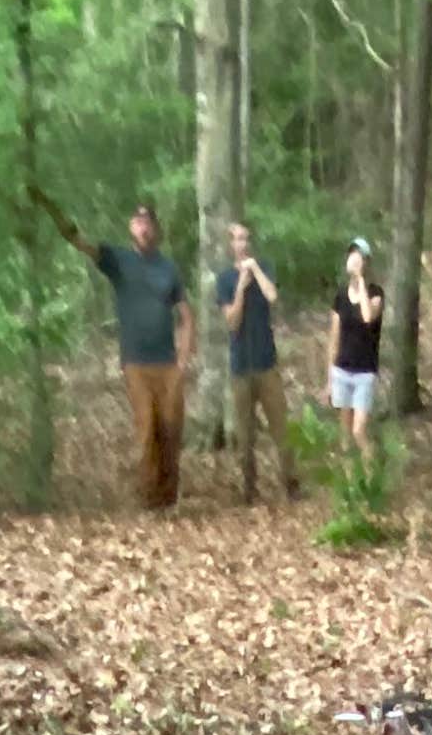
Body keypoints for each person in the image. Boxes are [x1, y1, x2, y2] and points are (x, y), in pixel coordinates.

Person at [33, 186, 192, 509]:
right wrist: (56, 214)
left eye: (149, 223)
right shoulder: (119, 260)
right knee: (147, 429)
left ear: (156, 230)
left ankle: (169, 499)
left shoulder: (168, 268)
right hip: (136, 362)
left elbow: (187, 316)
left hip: (167, 363)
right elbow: (82, 244)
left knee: (171, 429)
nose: (144, 228)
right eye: (138, 222)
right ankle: (149, 500)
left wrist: (183, 360)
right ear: (131, 228)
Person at [218, 222, 302, 504]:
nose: (242, 244)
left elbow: (273, 296)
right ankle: (248, 488)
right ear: (230, 244)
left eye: (245, 238)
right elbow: (232, 322)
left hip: (267, 362)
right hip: (240, 366)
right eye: (237, 239)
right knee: (245, 434)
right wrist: (241, 289)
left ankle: (291, 483)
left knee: (281, 427)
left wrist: (254, 270)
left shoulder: (264, 267)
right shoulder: (225, 279)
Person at [329, 240, 384, 452]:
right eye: (352, 255)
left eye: (359, 256)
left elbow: (368, 317)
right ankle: (348, 471)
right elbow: (334, 336)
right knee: (345, 434)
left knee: (358, 431)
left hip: (364, 372)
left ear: (366, 262)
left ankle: (371, 470)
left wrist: (360, 279)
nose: (354, 259)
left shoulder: (376, 294)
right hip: (341, 370)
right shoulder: (341, 296)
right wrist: (329, 376)